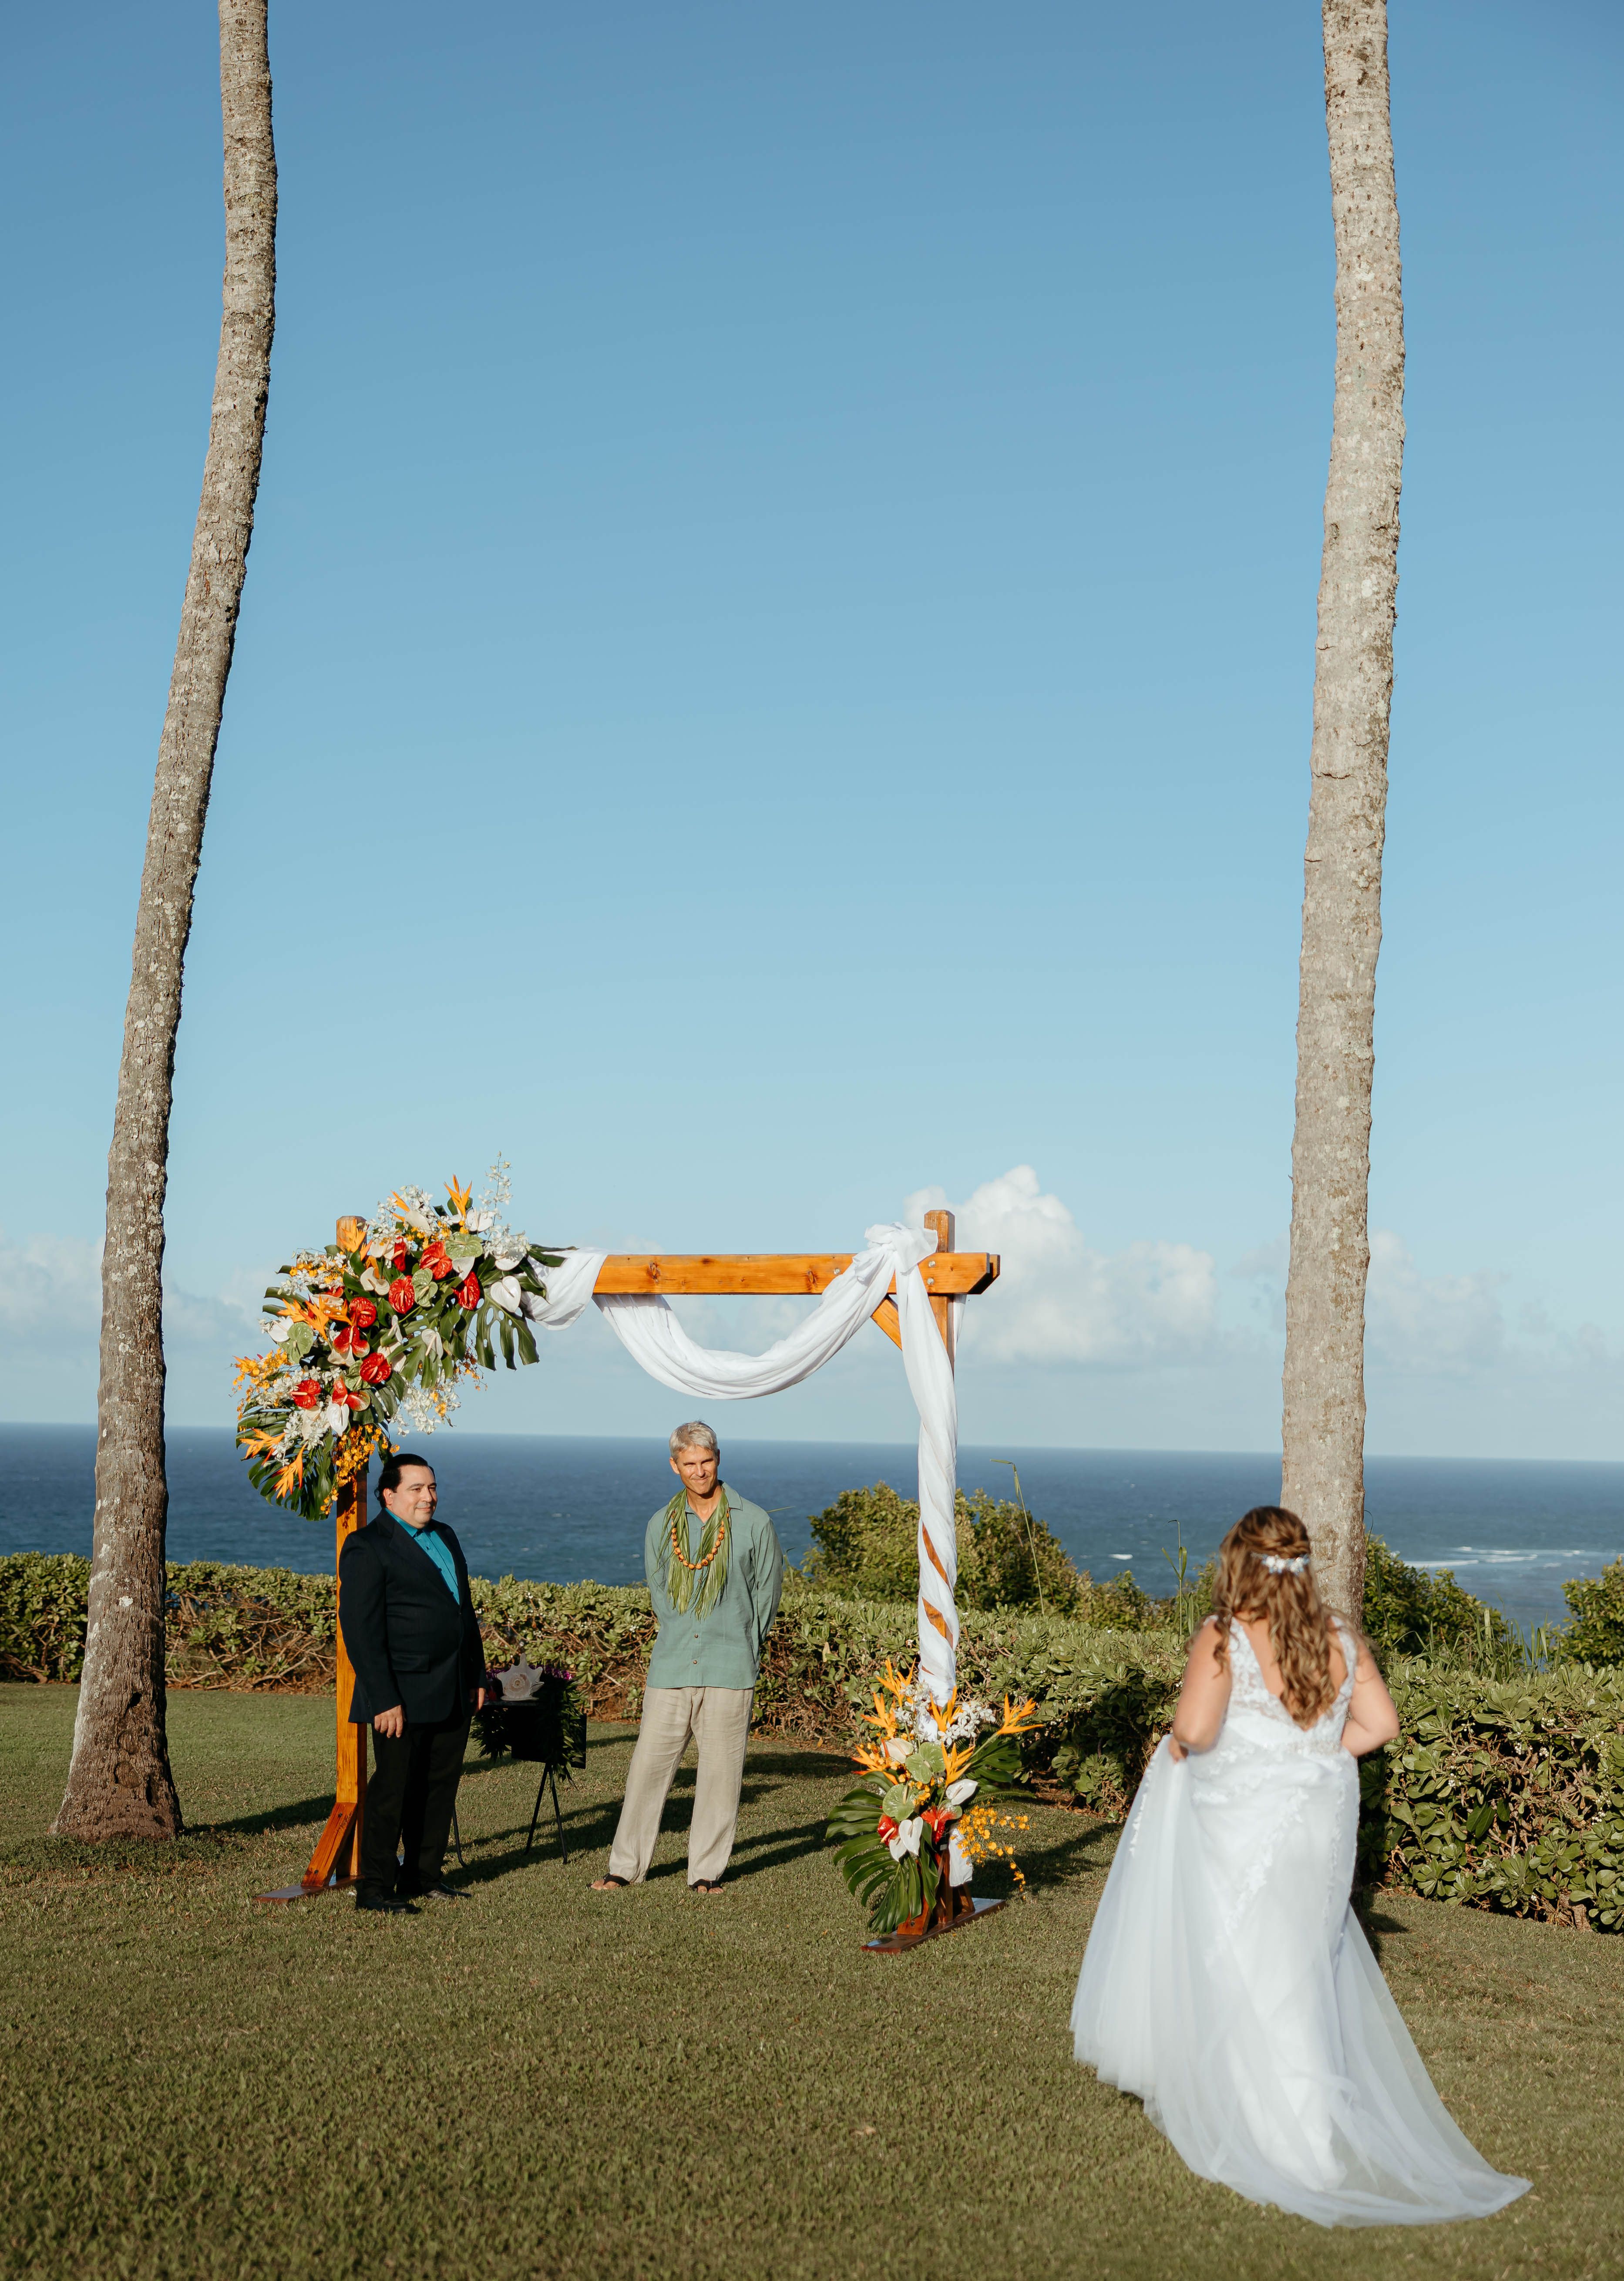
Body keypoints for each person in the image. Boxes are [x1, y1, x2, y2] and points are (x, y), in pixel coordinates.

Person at [1071, 1505, 1530, 2229]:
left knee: (1242, 1952)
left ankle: (1276, 2128)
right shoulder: (1341, 1635)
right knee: (1303, 1956)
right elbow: (1379, 1725)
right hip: (1321, 1815)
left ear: (1238, 1562)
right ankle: (1299, 2115)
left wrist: (1208, 1754)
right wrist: (1311, 1761)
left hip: (1243, 1817)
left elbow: (1194, 1728)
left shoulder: (1223, 1634)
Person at [592, 1422, 783, 1896]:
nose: (699, 1472)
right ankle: (624, 1867)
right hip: (672, 1664)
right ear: (674, 1465)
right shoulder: (662, 1523)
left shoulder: (754, 1521)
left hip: (729, 1666)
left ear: (718, 1459)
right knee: (646, 1770)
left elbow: (766, 1597)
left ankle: (705, 1873)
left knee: (720, 1776)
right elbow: (660, 1594)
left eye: (707, 1461)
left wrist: (742, 1643)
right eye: (689, 1464)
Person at [338, 1451, 486, 1915]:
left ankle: (423, 1876)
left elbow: (463, 1613)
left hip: (452, 1689)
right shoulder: (367, 1545)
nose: (429, 1497)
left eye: (433, 1487)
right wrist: (384, 1699)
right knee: (393, 1792)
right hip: (399, 1696)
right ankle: (375, 1887)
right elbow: (359, 1630)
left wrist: (477, 1675)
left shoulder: (445, 1535)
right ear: (389, 1495)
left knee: (439, 1787)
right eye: (417, 1489)